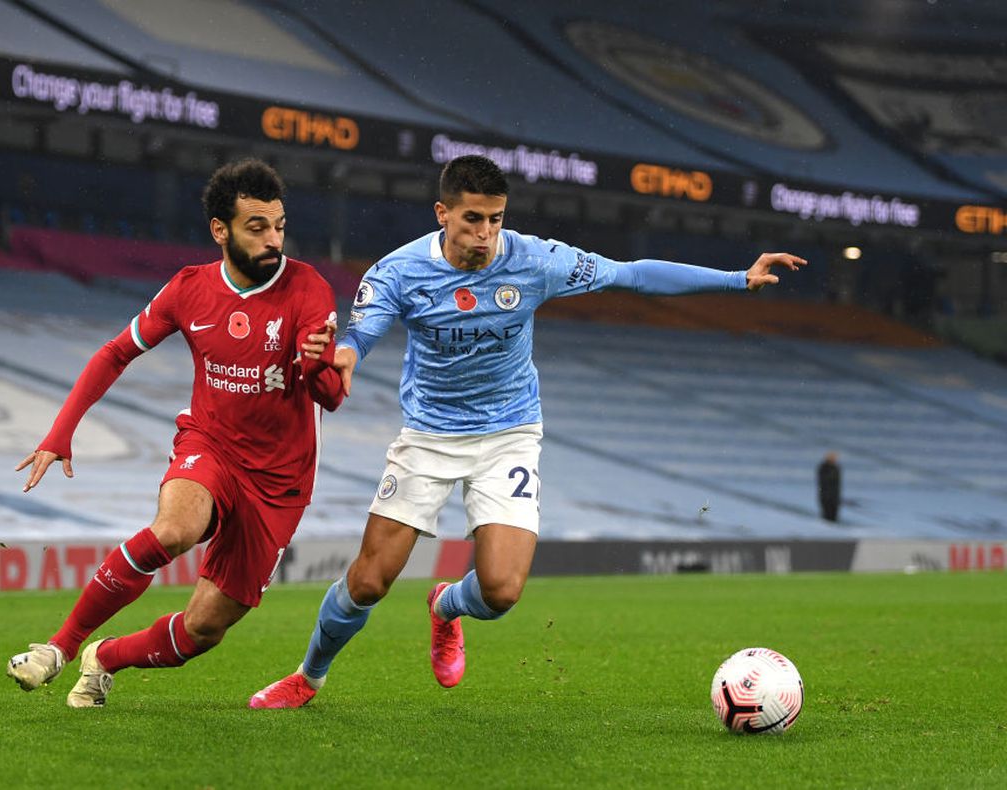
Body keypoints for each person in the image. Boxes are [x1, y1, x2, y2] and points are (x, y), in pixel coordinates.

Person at [249, 154, 805, 709]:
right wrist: (346, 355)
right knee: (369, 581)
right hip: (429, 436)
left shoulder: (536, 260)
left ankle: (445, 607)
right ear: (442, 213)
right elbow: (361, 331)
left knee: (501, 592)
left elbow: (631, 272)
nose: (486, 233)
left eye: (495, 218)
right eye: (472, 219)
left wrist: (738, 278)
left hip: (508, 432)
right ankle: (308, 676)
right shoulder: (399, 271)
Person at [6, 158, 345, 707]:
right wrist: (60, 433)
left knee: (203, 629)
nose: (273, 239)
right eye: (256, 227)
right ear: (221, 230)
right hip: (209, 444)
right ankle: (59, 648)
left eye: (279, 225)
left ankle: (105, 658)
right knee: (174, 530)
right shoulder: (190, 289)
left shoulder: (308, 289)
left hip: (280, 482)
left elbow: (330, 396)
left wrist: (315, 367)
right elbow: (116, 352)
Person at [817, 451, 842, 522]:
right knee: (826, 515)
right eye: (833, 458)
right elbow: (823, 481)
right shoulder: (823, 467)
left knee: (834, 515)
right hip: (825, 495)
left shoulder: (836, 468)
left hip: (835, 496)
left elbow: (837, 484)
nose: (835, 459)